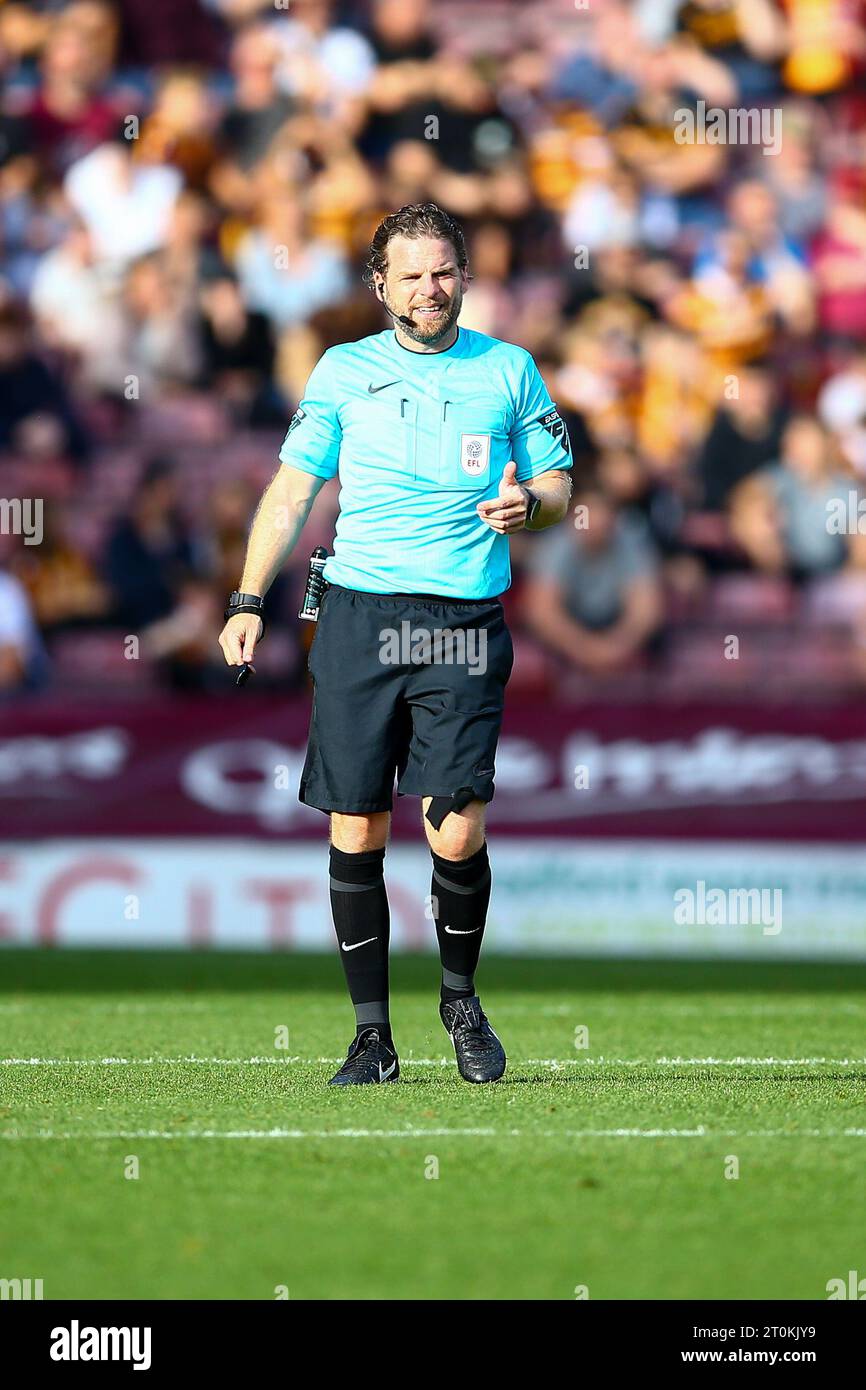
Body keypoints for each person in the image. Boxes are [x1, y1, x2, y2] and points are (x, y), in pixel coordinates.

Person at [218, 202, 573, 1086]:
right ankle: (372, 1038)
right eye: (411, 274)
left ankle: (459, 998)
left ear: (465, 274)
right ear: (380, 284)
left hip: (462, 622)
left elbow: (563, 484)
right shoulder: (342, 372)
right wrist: (248, 595)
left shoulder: (509, 369)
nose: (429, 288)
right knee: (358, 823)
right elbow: (293, 488)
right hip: (360, 619)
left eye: (443, 270)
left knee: (455, 828)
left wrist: (533, 504)